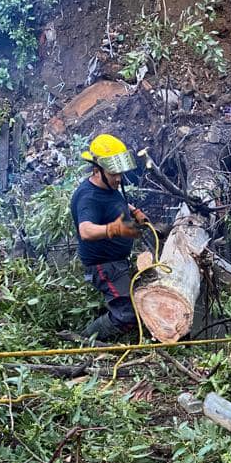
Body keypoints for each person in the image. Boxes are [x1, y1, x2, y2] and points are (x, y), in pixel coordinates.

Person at [71, 134, 149, 341]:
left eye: (119, 174)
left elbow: (114, 202)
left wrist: (134, 210)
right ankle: (84, 341)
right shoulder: (89, 197)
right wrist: (113, 229)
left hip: (118, 262)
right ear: (97, 171)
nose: (118, 179)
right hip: (104, 266)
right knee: (128, 316)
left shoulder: (108, 186)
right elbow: (86, 231)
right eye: (114, 174)